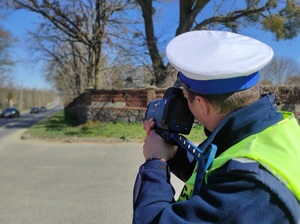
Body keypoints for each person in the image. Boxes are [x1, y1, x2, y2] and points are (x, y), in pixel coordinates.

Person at [132, 30, 300, 223]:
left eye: (186, 97)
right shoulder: (272, 129)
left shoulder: (250, 187)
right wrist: (172, 152)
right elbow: (214, 171)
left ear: (202, 104)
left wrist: (155, 162)